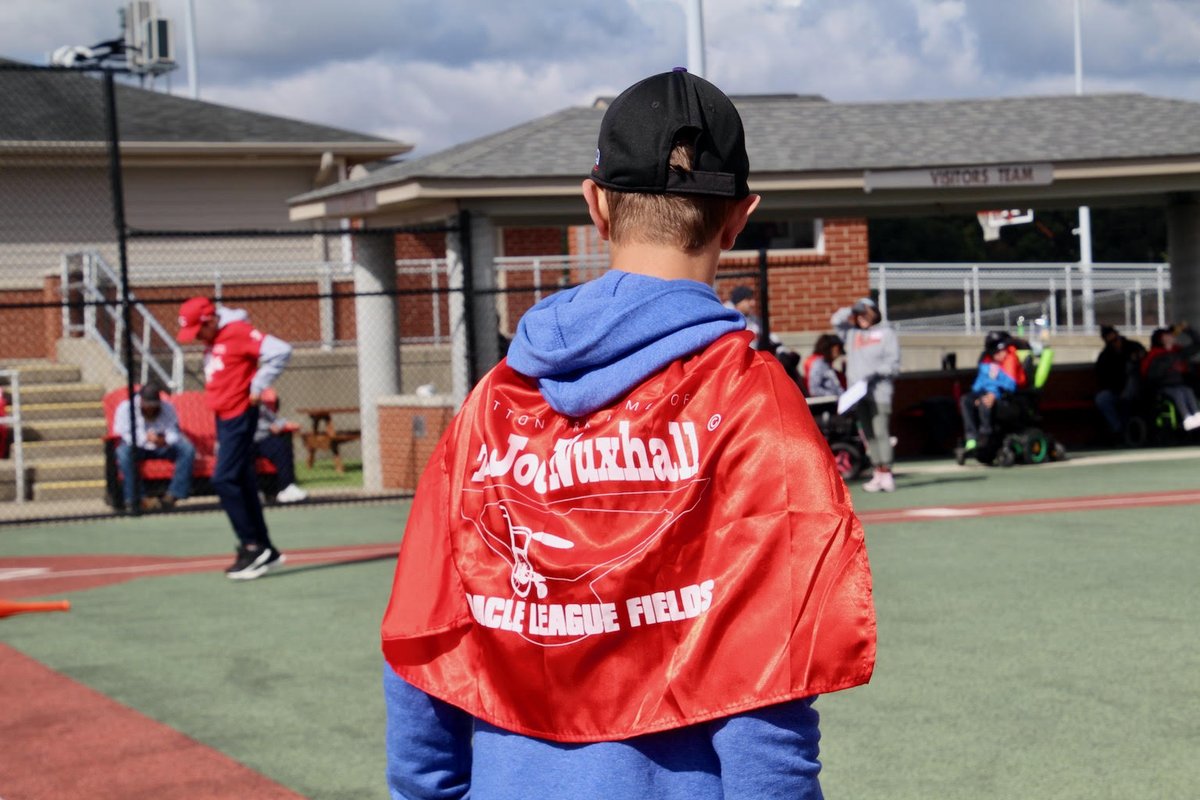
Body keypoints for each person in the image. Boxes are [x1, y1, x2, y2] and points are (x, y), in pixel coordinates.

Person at [381, 69, 875, 800]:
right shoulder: (752, 402)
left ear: (596, 204)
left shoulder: (493, 402)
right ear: (741, 217)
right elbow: (767, 676)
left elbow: (426, 631)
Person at [177, 297, 293, 580]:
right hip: (225, 416)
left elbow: (280, 350)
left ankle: (253, 546)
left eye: (198, 331)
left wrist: (258, 384)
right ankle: (265, 548)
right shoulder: (216, 338)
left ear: (210, 320)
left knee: (224, 478)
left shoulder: (237, 332)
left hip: (239, 415)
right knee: (242, 479)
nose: (197, 338)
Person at [832, 297, 901, 492]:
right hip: (858, 394)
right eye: (859, 314)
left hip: (879, 392)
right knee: (868, 435)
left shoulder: (886, 333)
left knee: (881, 432)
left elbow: (893, 363)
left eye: (866, 312)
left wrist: (876, 373)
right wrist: (852, 309)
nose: (862, 317)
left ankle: (887, 471)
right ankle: (877, 472)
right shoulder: (852, 334)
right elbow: (836, 321)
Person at [112, 382, 195, 512]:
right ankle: (137, 498)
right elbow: (122, 433)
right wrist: (145, 438)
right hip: (137, 447)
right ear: (141, 402)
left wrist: (164, 440)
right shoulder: (126, 408)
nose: (150, 409)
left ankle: (173, 495)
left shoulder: (167, 408)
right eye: (147, 406)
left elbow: (173, 431)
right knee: (123, 452)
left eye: (154, 406)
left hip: (161, 446)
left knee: (187, 449)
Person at [959, 331, 1026, 455]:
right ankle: (971, 438)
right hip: (985, 392)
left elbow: (1010, 385)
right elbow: (979, 383)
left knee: (986, 401)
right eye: (997, 352)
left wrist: (994, 395)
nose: (1001, 354)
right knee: (966, 400)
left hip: (1007, 399)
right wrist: (976, 396)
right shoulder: (987, 362)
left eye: (1002, 350)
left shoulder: (1010, 359)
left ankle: (986, 435)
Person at [1141, 325, 1200, 431]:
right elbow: (1152, 375)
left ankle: (1196, 414)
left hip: (1179, 384)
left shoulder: (1177, 351)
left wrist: (1187, 329)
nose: (1172, 337)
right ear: (1162, 339)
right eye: (1168, 335)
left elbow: (1197, 345)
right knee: (1178, 393)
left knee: (1187, 390)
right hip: (1163, 387)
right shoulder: (1155, 355)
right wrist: (1170, 359)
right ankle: (1186, 417)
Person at [1093, 324, 1146, 441]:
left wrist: (1136, 358)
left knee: (1130, 388)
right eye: (1110, 341)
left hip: (1138, 389)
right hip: (1115, 390)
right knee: (1102, 399)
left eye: (1115, 339)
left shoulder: (1133, 347)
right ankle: (1118, 429)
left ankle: (1128, 429)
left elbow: (1145, 360)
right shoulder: (1105, 356)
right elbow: (1102, 375)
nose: (1115, 343)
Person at [255, 388, 308, 504]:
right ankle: (252, 492)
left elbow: (273, 419)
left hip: (263, 438)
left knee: (281, 446)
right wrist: (268, 427)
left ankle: (286, 488)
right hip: (243, 439)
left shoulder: (257, 401)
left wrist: (282, 424)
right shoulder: (232, 401)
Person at [803, 333, 846, 399]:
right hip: (826, 404)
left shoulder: (826, 364)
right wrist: (834, 395)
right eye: (838, 350)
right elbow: (814, 390)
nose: (839, 354)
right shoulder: (818, 364)